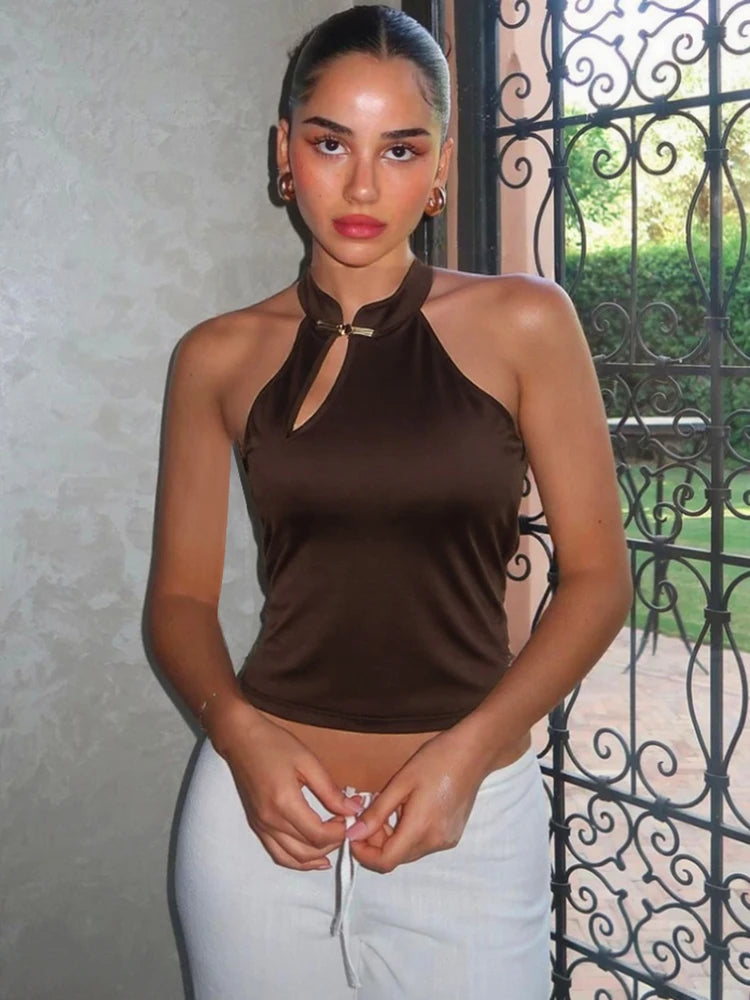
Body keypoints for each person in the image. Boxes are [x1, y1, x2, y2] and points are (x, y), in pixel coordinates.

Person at [145, 6, 632, 998]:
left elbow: (598, 581)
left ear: (440, 166)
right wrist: (239, 737)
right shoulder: (215, 356)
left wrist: (470, 755)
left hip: (467, 820)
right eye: (331, 143)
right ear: (285, 153)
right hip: (260, 822)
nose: (363, 186)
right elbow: (180, 601)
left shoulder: (527, 322)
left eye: (400, 149)